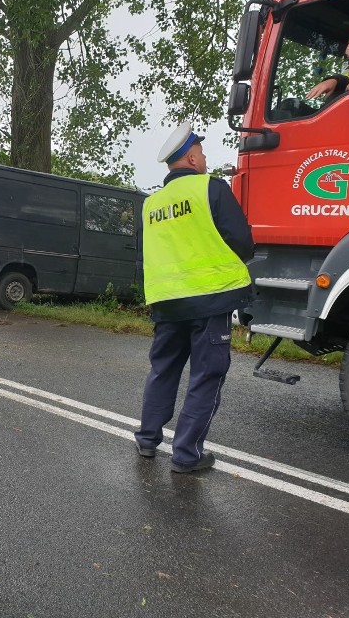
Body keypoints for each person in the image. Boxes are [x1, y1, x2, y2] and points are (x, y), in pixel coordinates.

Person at [133, 123, 254, 473]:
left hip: (167, 301)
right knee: (206, 375)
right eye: (201, 152)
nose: (204, 158)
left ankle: (147, 440)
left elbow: (147, 253)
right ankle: (187, 455)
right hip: (209, 299)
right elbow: (242, 242)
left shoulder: (151, 204)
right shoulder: (211, 189)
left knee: (164, 369)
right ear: (190, 156)